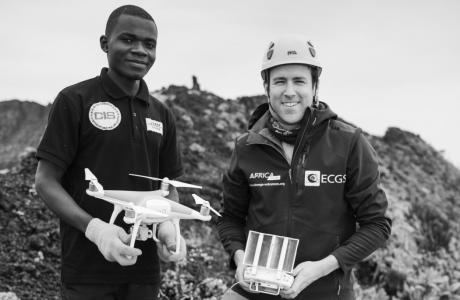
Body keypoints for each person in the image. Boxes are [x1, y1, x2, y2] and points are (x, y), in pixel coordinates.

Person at [217, 35, 392, 299]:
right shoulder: (247, 146)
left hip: (327, 292)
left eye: (299, 81)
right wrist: (241, 258)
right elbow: (230, 218)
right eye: (279, 81)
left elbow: (377, 224)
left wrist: (321, 268)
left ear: (315, 86)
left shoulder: (349, 143)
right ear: (266, 87)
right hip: (255, 292)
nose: (289, 91)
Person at [34, 5, 186, 300]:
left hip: (144, 273)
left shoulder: (162, 113)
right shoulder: (74, 100)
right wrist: (95, 230)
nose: (140, 50)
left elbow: (169, 189)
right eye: (128, 40)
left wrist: (168, 225)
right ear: (105, 43)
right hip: (86, 273)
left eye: (149, 44)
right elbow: (45, 181)